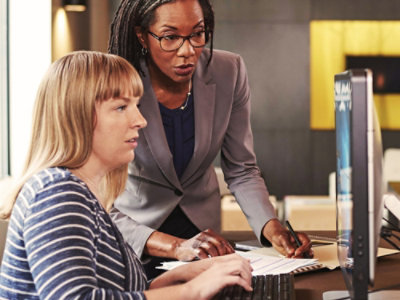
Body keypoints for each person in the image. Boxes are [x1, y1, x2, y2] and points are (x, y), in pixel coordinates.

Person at [0, 51, 253, 300]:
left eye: (137, 105)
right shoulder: (57, 194)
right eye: (121, 107)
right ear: (77, 117)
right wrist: (191, 292)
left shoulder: (81, 194)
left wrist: (176, 278)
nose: (141, 121)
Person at [108, 0, 313, 278]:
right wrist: (175, 245)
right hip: (136, 238)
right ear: (142, 35)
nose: (187, 50)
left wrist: (271, 227)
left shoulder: (229, 71)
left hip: (204, 241)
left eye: (197, 34)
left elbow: (241, 169)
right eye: (170, 37)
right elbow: (99, 199)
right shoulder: (115, 82)